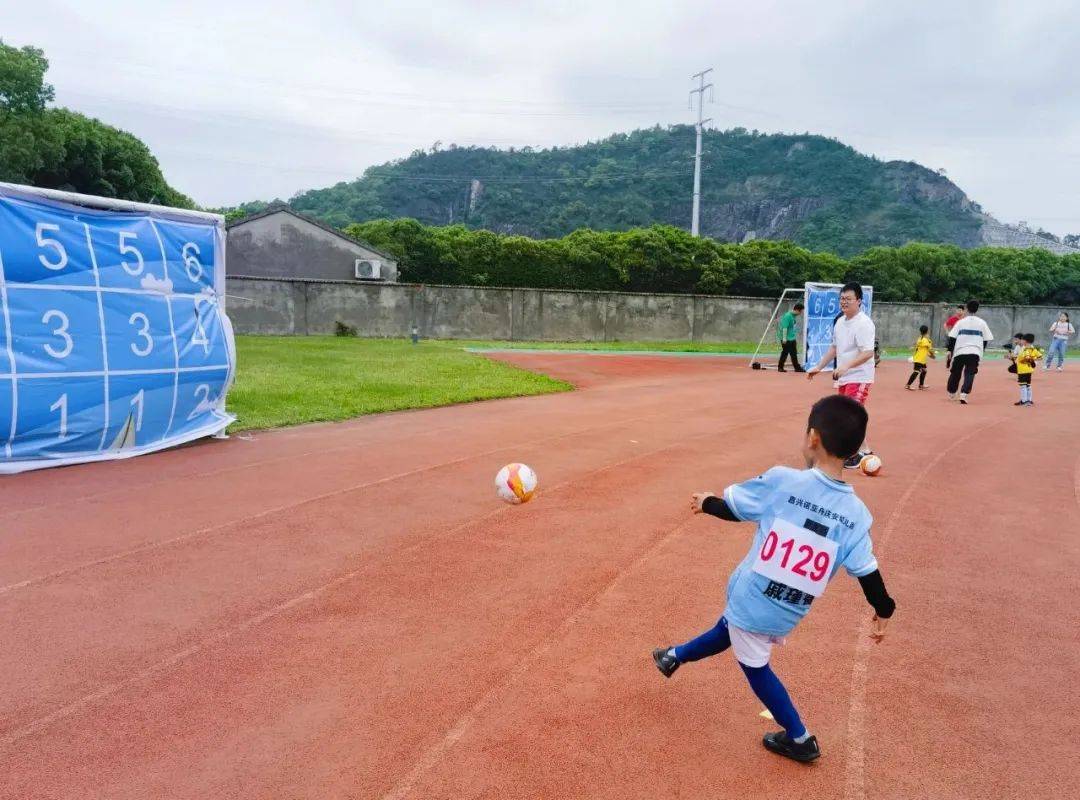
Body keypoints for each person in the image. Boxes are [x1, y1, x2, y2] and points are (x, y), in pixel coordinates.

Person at [651, 395, 895, 763]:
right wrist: (885, 610)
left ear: (812, 438)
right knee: (732, 629)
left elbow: (735, 509)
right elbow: (868, 573)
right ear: (855, 450)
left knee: (755, 666)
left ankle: (799, 737)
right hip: (788, 610)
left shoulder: (784, 481)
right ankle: (673, 656)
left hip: (752, 596)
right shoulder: (857, 515)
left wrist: (706, 503)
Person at [806, 283, 875, 469]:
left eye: (848, 299)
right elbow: (834, 348)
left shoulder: (864, 324)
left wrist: (846, 367)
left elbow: (868, 352)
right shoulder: (840, 322)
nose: (844, 302)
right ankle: (866, 451)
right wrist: (819, 367)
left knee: (850, 416)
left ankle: (856, 454)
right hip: (845, 376)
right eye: (842, 299)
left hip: (859, 376)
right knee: (848, 415)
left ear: (859, 301)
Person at [946, 300, 993, 404]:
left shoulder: (961, 322)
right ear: (977, 309)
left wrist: (949, 350)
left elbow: (952, 337)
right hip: (975, 352)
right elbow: (986, 339)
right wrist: (982, 351)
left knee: (955, 372)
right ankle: (964, 394)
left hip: (960, 351)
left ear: (966, 309)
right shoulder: (982, 322)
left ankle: (952, 392)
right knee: (970, 373)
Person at [1015, 333, 1043, 406]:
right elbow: (1040, 357)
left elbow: (1025, 358)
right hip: (1029, 370)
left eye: (1022, 340)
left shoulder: (1025, 350)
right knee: (1028, 385)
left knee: (1023, 385)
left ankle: (1024, 401)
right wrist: (1033, 359)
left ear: (1025, 341)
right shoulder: (1033, 349)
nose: (1021, 341)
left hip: (1023, 370)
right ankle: (1029, 400)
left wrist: (1027, 359)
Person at [777, 302, 805, 372]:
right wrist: (784, 339)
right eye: (801, 311)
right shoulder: (787, 316)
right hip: (786, 338)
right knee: (785, 353)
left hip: (792, 338)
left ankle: (797, 368)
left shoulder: (793, 316)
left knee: (794, 353)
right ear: (797, 310)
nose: (801, 313)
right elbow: (784, 328)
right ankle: (780, 367)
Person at [905, 325, 935, 390]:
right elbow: (930, 349)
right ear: (927, 331)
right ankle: (908, 385)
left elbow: (922, 348)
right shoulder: (926, 340)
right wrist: (932, 355)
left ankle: (921, 385)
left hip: (921, 358)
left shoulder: (920, 338)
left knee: (924, 371)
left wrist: (929, 355)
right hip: (919, 359)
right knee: (916, 371)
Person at [944, 304, 965, 370]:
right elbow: (945, 324)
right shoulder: (953, 318)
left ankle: (956, 364)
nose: (959, 312)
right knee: (950, 352)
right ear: (956, 311)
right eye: (958, 310)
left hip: (961, 338)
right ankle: (948, 361)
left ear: (963, 311)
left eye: (961, 310)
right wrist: (947, 332)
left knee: (959, 352)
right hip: (953, 338)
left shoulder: (965, 320)